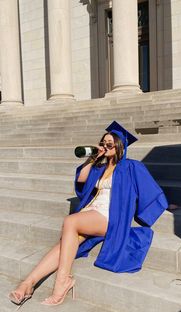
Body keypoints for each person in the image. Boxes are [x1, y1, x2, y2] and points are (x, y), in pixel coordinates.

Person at [8, 121, 168, 307]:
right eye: (103, 143)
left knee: (70, 221)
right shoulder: (99, 167)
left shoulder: (132, 167)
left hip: (110, 217)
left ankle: (63, 281)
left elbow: (150, 189)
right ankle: (28, 283)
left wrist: (164, 204)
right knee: (63, 246)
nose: (106, 146)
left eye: (110, 144)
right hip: (91, 214)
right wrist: (92, 158)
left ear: (119, 146)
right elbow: (82, 180)